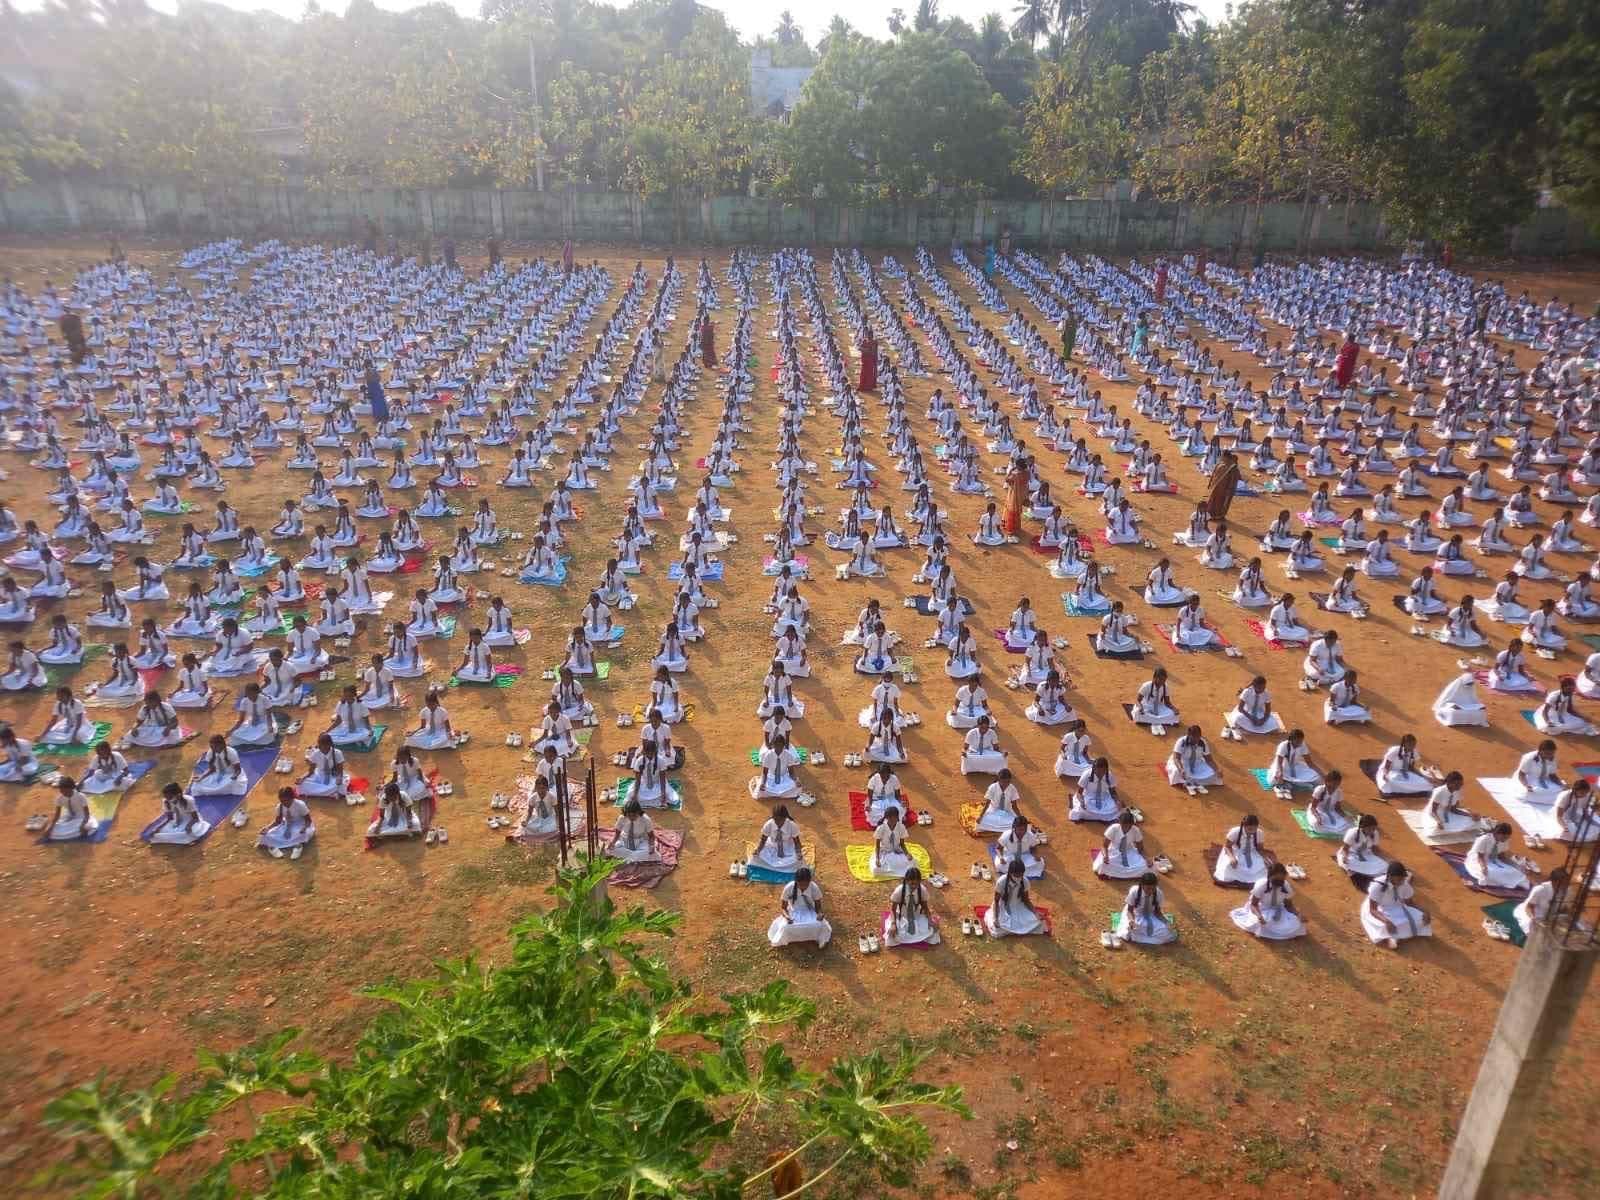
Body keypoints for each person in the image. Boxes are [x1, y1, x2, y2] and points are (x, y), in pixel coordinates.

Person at [1362, 861, 1432, 948]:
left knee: (1421, 917)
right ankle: (1391, 937)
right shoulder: (1378, 886)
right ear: (1390, 877)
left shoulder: (1404, 884)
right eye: (1399, 879)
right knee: (1382, 925)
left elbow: (1409, 903)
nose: (1401, 881)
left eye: (1403, 879)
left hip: (1399, 908)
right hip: (1381, 910)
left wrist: (1424, 911)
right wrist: (1387, 921)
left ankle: (1397, 936)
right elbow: (1372, 910)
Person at [1230, 863, 1307, 940]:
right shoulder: (1261, 885)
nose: (1279, 882)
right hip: (1261, 909)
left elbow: (1288, 906)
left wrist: (1298, 914)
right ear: (1269, 877)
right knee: (1260, 922)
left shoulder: (1286, 886)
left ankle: (1273, 931)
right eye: (1276, 880)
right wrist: (1259, 916)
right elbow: (1253, 905)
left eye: (1281, 880)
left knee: (1297, 923)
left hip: (1279, 909)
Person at [768, 866, 832, 948]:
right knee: (785, 927)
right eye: (800, 884)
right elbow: (783, 908)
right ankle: (787, 939)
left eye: (806, 884)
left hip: (810, 911)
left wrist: (820, 914)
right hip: (793, 911)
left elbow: (818, 907)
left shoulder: (814, 887)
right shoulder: (789, 887)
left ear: (810, 881)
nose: (803, 887)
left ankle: (821, 940)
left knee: (821, 925)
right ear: (796, 881)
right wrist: (787, 917)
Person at [984, 858, 1045, 937]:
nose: (1019, 877)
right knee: (997, 930)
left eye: (1021, 875)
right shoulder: (1001, 881)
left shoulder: (1025, 881)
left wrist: (1035, 913)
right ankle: (1012, 929)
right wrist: (995, 919)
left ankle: (1013, 930)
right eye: (1016, 875)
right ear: (1010, 872)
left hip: (1018, 907)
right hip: (1002, 908)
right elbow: (996, 901)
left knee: (1039, 923)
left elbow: (1026, 900)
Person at [883, 866, 940, 947]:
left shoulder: (922, 890)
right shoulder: (899, 891)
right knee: (892, 936)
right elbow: (893, 910)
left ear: (920, 881)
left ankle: (914, 936)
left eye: (917, 884)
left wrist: (930, 920)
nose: (914, 886)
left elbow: (925, 907)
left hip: (916, 916)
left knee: (933, 931)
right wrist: (893, 924)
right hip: (901, 916)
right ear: (906, 881)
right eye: (912, 884)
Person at [1117, 872, 1176, 945]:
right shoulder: (1134, 891)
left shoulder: (1159, 893)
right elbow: (1129, 911)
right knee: (1129, 930)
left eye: (1153, 888)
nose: (1150, 891)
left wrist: (1166, 922)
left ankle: (1141, 938)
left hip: (1151, 916)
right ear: (1142, 885)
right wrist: (1131, 921)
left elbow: (1158, 912)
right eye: (1148, 888)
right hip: (1136, 914)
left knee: (1167, 931)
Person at [1466, 823, 1530, 890]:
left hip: (1493, 860)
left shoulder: (1505, 841)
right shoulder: (1484, 839)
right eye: (1504, 837)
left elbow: (1502, 857)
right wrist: (1483, 867)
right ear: (1497, 833)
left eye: (1507, 837)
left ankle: (1510, 881)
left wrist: (1517, 866)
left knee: (1515, 872)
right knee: (1491, 872)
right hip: (1478, 860)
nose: (1505, 839)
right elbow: (1480, 857)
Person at [1511, 867, 1570, 938]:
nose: (1567, 884)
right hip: (1533, 915)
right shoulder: (1540, 889)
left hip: (1549, 916)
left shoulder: (1566, 891)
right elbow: (1528, 907)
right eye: (1564, 882)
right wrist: (1534, 919)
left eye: (1567, 882)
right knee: (1534, 932)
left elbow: (1564, 908)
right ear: (1555, 881)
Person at [1214, 814, 1271, 885]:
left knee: (1263, 866)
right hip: (1235, 851)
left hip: (1252, 853)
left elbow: (1260, 849)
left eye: (1254, 829)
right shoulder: (1235, 832)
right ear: (1244, 826)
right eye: (1250, 829)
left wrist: (1265, 858)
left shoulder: (1259, 833)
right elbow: (1227, 847)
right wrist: (1232, 858)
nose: (1252, 831)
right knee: (1229, 865)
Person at [42, 775, 98, 841]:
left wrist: (83, 824)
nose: (62, 792)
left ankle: (76, 831)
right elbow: (57, 816)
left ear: (70, 788)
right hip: (68, 817)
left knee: (86, 827)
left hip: (81, 817)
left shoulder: (81, 796)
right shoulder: (59, 798)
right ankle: (73, 833)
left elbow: (87, 814)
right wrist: (50, 827)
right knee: (52, 830)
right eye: (61, 790)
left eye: (64, 790)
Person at [1206, 450, 1242, 521]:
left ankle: (1218, 516)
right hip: (1218, 488)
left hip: (1224, 489)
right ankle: (1212, 515)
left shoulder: (1231, 467)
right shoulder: (1222, 464)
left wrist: (1230, 488)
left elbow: (1233, 478)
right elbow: (1213, 475)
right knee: (1215, 502)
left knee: (1221, 502)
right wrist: (1210, 483)